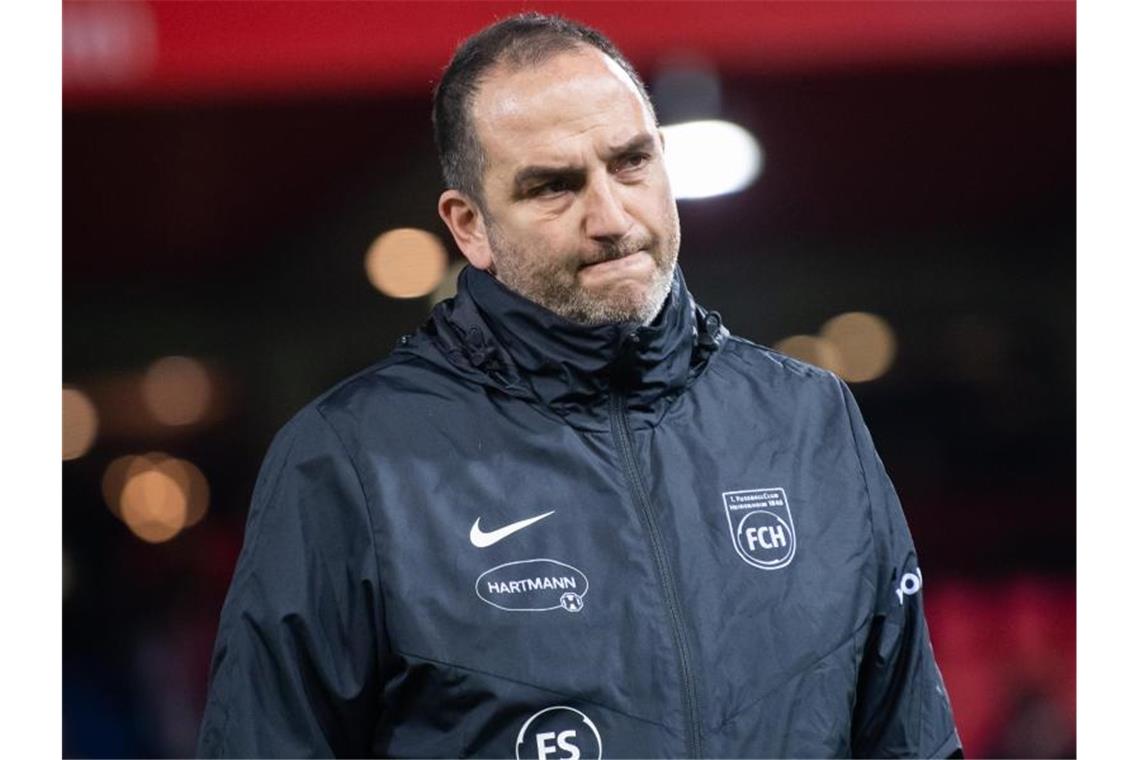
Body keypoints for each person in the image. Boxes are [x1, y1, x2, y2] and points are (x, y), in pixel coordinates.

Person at [197, 12, 962, 759]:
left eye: (631, 163)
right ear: (470, 227)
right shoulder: (349, 462)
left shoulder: (808, 419)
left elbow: (910, 739)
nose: (610, 215)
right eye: (553, 187)